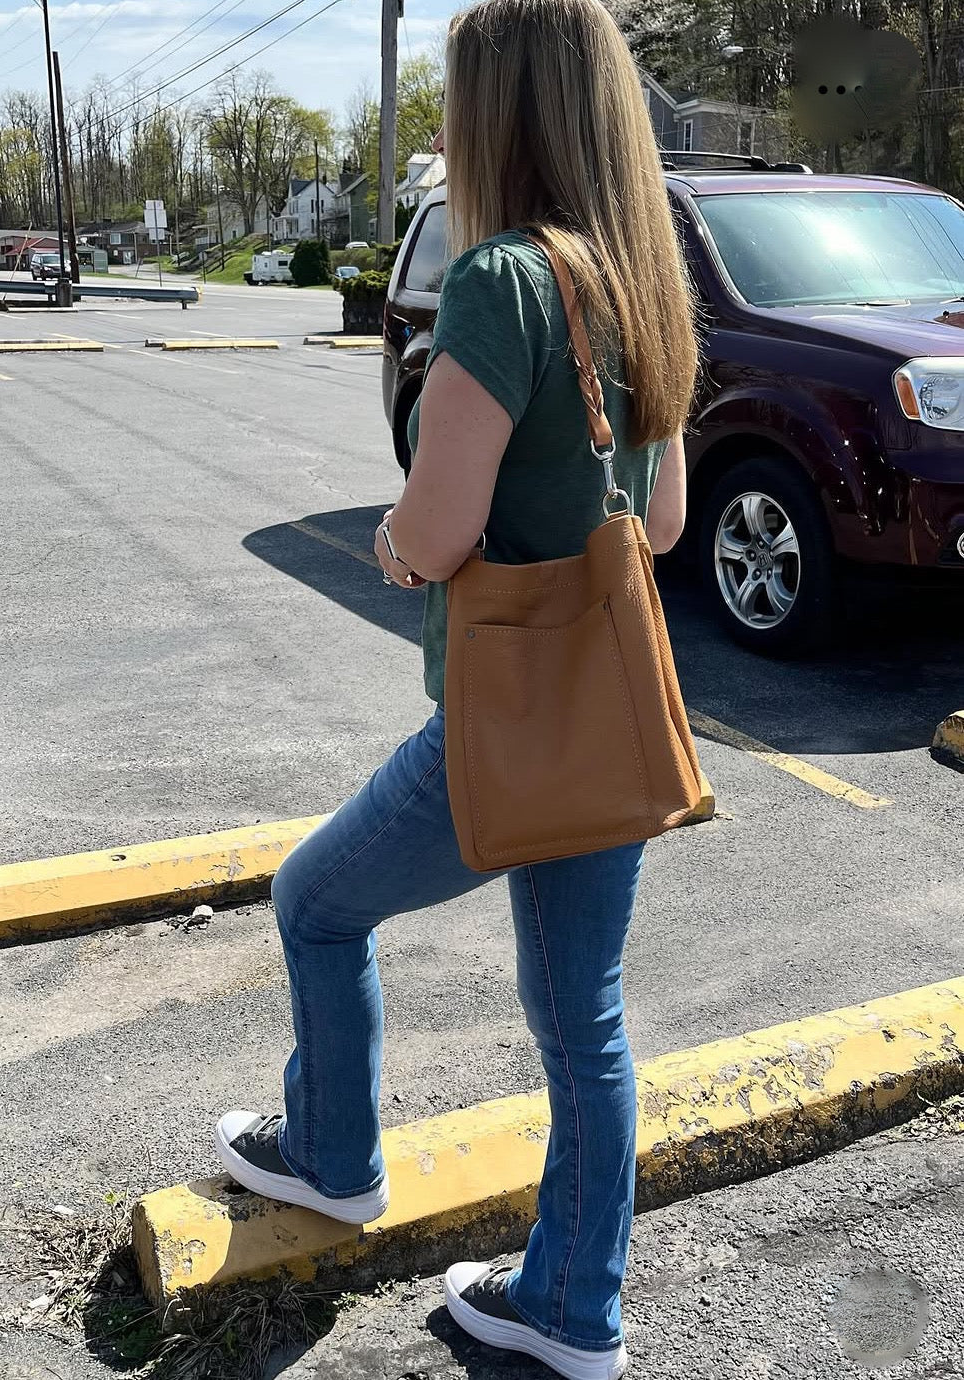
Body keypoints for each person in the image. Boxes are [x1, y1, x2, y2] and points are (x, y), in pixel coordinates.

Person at [216, 0, 698, 1374]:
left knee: (313, 901)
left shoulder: (501, 279)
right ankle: (569, 1303)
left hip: (505, 722)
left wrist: (392, 539)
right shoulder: (640, 279)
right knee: (581, 1019)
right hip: (608, 726)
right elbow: (657, 528)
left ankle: (330, 1156)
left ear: (501, 112)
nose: (441, 132)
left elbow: (430, 536)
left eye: (454, 104)